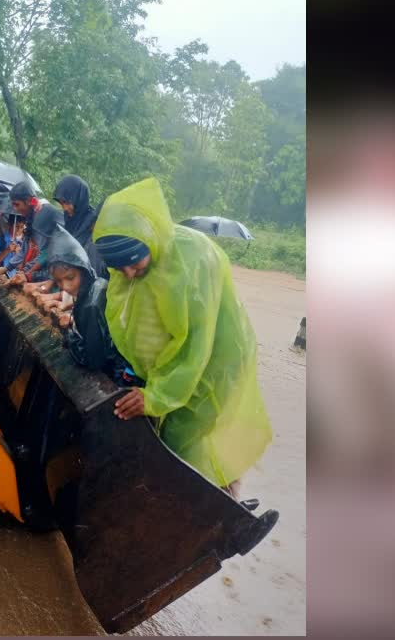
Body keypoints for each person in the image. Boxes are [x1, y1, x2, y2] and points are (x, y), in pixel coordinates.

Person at [93, 177, 272, 492]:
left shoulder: (192, 261)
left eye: (134, 264)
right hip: (174, 371)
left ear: (149, 240)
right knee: (176, 439)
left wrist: (157, 396)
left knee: (190, 438)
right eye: (119, 269)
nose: (129, 274)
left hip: (213, 364)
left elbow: (194, 345)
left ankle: (219, 514)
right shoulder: (134, 267)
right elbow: (129, 317)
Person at [44, 227, 134, 384]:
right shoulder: (98, 283)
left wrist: (68, 332)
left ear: (83, 270)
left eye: (70, 278)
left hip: (116, 376)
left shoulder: (91, 305)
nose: (65, 286)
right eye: (58, 281)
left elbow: (92, 360)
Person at [54, 174, 106, 276]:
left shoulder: (93, 225)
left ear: (79, 199)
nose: (64, 208)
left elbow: (94, 270)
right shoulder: (70, 225)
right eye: (61, 204)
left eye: (66, 202)